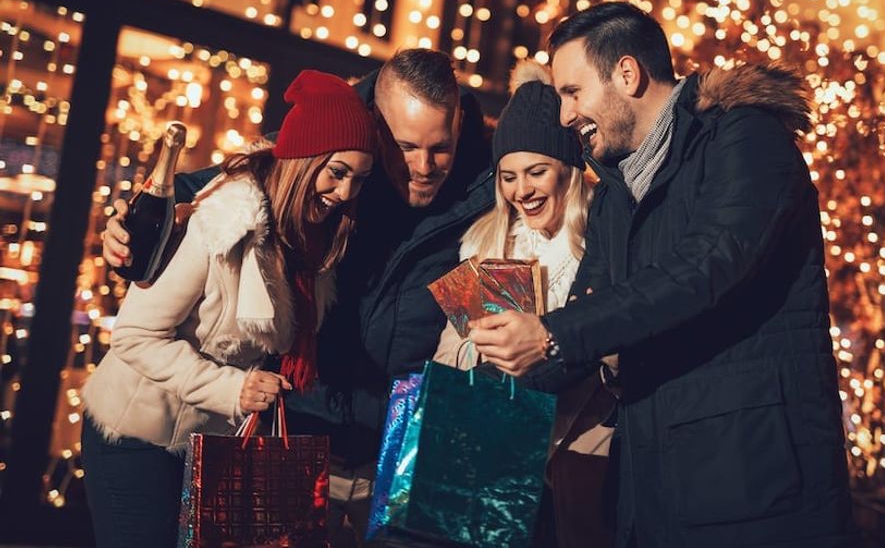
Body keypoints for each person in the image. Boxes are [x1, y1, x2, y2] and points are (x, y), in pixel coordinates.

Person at [469, 2, 856, 547]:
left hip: (755, 486)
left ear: (626, 75)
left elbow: (707, 265)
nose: (564, 115)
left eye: (573, 92)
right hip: (653, 491)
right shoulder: (615, 196)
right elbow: (587, 324)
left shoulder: (745, 141)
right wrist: (478, 390)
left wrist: (552, 333)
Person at [100, 49, 494, 545]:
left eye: (441, 147)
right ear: (374, 124)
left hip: (397, 452)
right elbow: (241, 183)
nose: (422, 166)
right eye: (404, 147)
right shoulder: (337, 146)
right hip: (297, 434)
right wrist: (127, 229)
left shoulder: (483, 188)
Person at [82, 70, 377, 548]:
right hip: (135, 436)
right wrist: (235, 388)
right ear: (303, 159)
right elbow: (134, 335)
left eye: (358, 180)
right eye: (336, 172)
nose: (344, 192)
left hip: (204, 442)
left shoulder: (311, 244)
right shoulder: (221, 221)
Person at [432, 60, 615, 548]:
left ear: (570, 172)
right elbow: (447, 356)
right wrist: (479, 346)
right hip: (495, 456)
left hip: (581, 454)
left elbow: (623, 341)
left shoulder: (604, 245)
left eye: (536, 172)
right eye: (508, 176)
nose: (521, 191)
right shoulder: (486, 244)